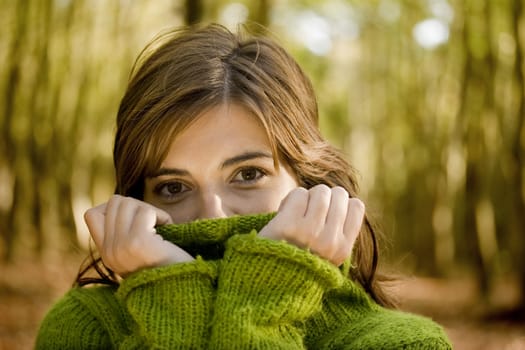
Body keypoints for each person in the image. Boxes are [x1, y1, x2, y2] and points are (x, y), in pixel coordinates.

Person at [36, 23, 452, 349]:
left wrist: (265, 303)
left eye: (248, 174)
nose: (212, 213)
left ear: (309, 179)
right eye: (173, 187)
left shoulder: (403, 344)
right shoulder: (86, 329)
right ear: (135, 199)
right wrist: (169, 296)